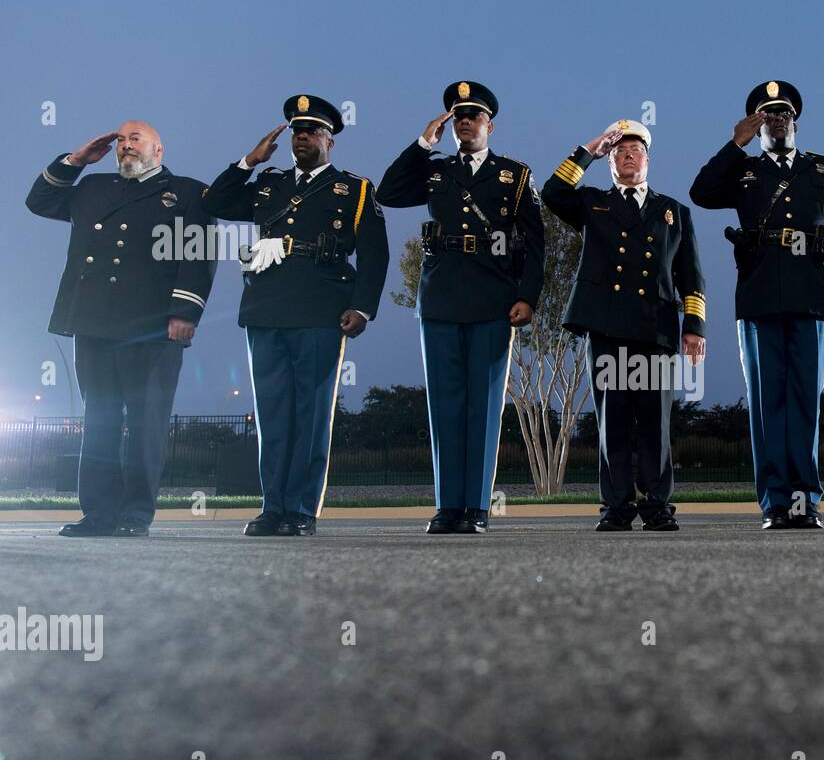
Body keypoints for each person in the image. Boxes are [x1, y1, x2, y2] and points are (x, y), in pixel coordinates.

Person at [202, 95, 389, 537]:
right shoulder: (268, 183)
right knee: (272, 414)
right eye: (296, 131)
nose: (302, 136)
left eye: (311, 130)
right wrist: (248, 160)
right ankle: (273, 508)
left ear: (329, 139)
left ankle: (301, 510)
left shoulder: (355, 189)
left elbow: (375, 254)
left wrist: (362, 307)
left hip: (321, 309)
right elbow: (217, 202)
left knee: (310, 413)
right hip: (266, 306)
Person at [26, 122, 216, 537]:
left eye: (136, 139)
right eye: (121, 141)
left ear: (159, 149)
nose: (126, 146)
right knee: (99, 419)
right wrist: (76, 160)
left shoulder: (187, 193)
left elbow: (199, 255)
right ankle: (98, 513)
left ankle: (135, 514)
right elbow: (38, 201)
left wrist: (185, 310)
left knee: (147, 422)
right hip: (94, 320)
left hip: (152, 325)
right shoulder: (93, 187)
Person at [376, 81, 544, 535]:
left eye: (473, 116)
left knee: (483, 407)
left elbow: (535, 243)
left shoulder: (515, 175)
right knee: (445, 406)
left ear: (490, 124)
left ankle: (476, 508)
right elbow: (387, 193)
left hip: (493, 298)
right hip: (440, 297)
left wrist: (527, 296)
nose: (464, 122)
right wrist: (421, 144)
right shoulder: (435, 171)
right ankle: (448, 506)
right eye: (457, 116)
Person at [690, 81, 824, 530]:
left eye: (783, 112)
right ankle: (774, 503)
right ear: (756, 122)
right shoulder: (744, 171)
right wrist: (734, 143)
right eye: (766, 113)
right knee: (767, 404)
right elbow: (700, 193)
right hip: (760, 296)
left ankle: (805, 500)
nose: (776, 118)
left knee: (806, 401)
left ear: (795, 122)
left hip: (811, 297)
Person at [543, 119, 707, 531]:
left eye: (635, 150)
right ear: (610, 161)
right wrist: (589, 149)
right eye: (619, 152)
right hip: (607, 328)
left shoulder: (674, 211)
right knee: (612, 421)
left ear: (648, 160)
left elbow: (692, 276)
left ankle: (656, 507)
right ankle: (615, 508)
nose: (627, 155)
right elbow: (553, 193)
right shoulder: (593, 204)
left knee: (656, 423)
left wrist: (695, 327)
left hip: (656, 329)